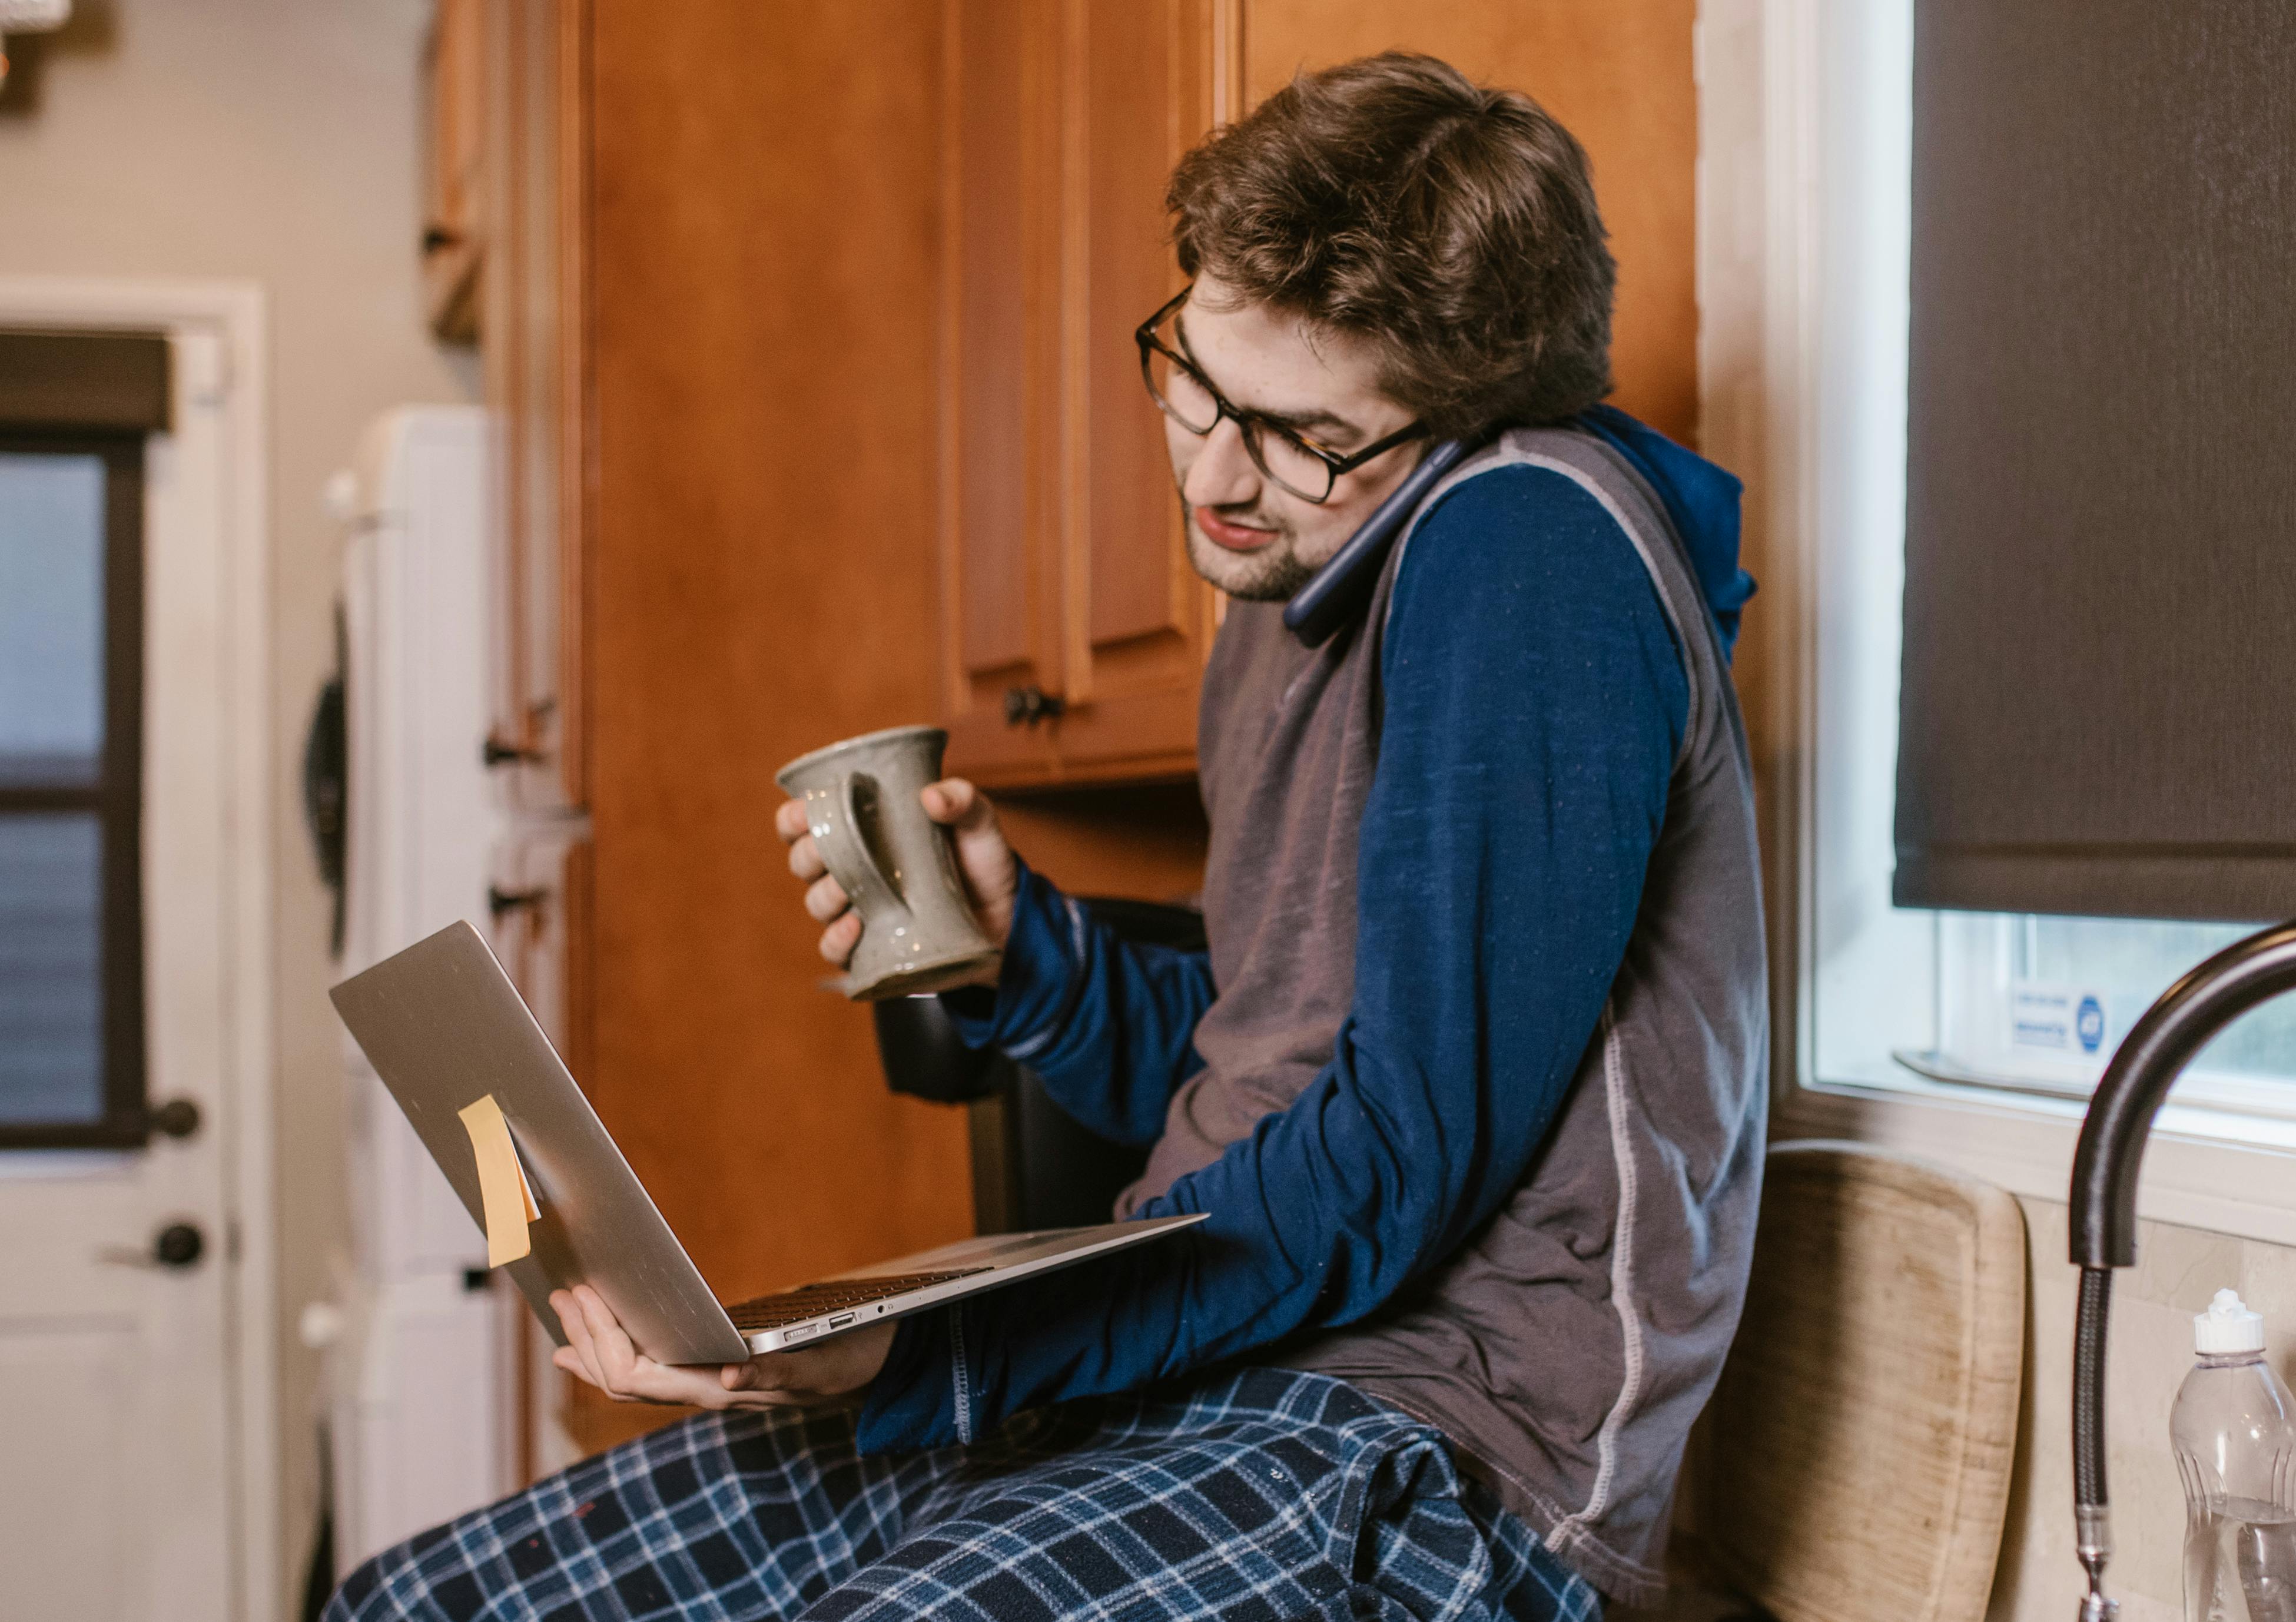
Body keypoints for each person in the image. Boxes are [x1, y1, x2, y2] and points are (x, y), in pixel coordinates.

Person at [330, 51, 1765, 1622]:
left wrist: (932, 1351)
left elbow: (1393, 1162)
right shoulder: (1293, 576)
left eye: (1301, 434)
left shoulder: (1527, 547)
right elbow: (1269, 1059)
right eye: (1198, 381)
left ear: (1462, 420)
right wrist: (1035, 961)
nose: (1213, 474)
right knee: (416, 1601)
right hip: (1203, 1375)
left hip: (1432, 1452)